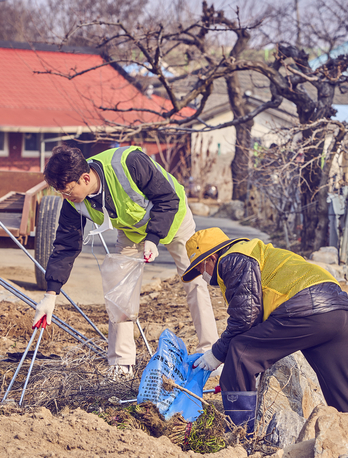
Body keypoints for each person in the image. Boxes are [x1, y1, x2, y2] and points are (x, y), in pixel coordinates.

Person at [35, 145, 218, 377]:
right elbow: (66, 244)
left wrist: (154, 237)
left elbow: (167, 198)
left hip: (174, 218)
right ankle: (121, 363)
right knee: (119, 290)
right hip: (132, 232)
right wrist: (51, 294)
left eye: (68, 191)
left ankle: (210, 353)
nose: (65, 197)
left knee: (195, 282)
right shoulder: (73, 200)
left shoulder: (129, 163)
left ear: (85, 177)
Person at [182, 227, 348, 433]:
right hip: (339, 311)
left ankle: (239, 435)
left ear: (211, 257)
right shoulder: (253, 251)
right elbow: (256, 322)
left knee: (239, 353)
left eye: (201, 267)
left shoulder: (232, 259)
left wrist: (216, 354)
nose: (203, 274)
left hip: (309, 311)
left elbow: (245, 319)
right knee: (344, 392)